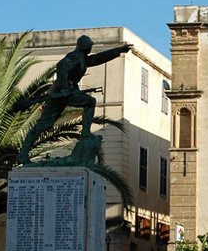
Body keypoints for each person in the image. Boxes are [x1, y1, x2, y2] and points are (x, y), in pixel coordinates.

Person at [17, 35, 131, 163]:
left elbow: (98, 58)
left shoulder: (82, 58)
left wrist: (118, 51)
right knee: (87, 103)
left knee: (46, 124)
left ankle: (23, 153)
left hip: (67, 92)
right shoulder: (75, 56)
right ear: (83, 47)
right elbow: (61, 67)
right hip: (62, 93)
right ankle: (24, 153)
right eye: (89, 47)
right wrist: (65, 87)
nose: (90, 49)